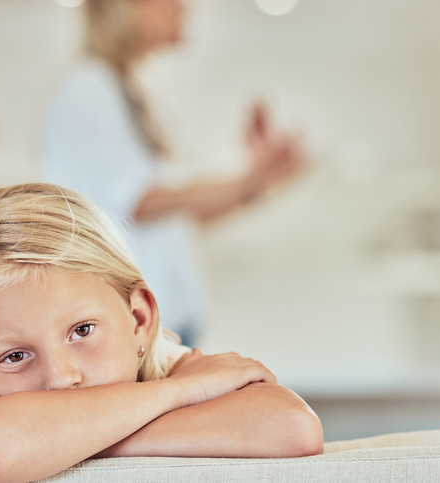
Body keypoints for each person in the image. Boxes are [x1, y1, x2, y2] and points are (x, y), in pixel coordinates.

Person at [0, 183, 323, 483]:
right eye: (15, 356)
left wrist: (57, 442)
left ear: (139, 320)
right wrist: (179, 394)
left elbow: (293, 427)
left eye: (82, 330)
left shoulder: (172, 361)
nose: (61, 378)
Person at [41, 0, 305, 347]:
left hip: (167, 325)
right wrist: (249, 180)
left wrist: (260, 184)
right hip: (139, 330)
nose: (185, 6)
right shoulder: (88, 88)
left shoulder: (124, 89)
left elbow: (171, 220)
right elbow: (134, 202)